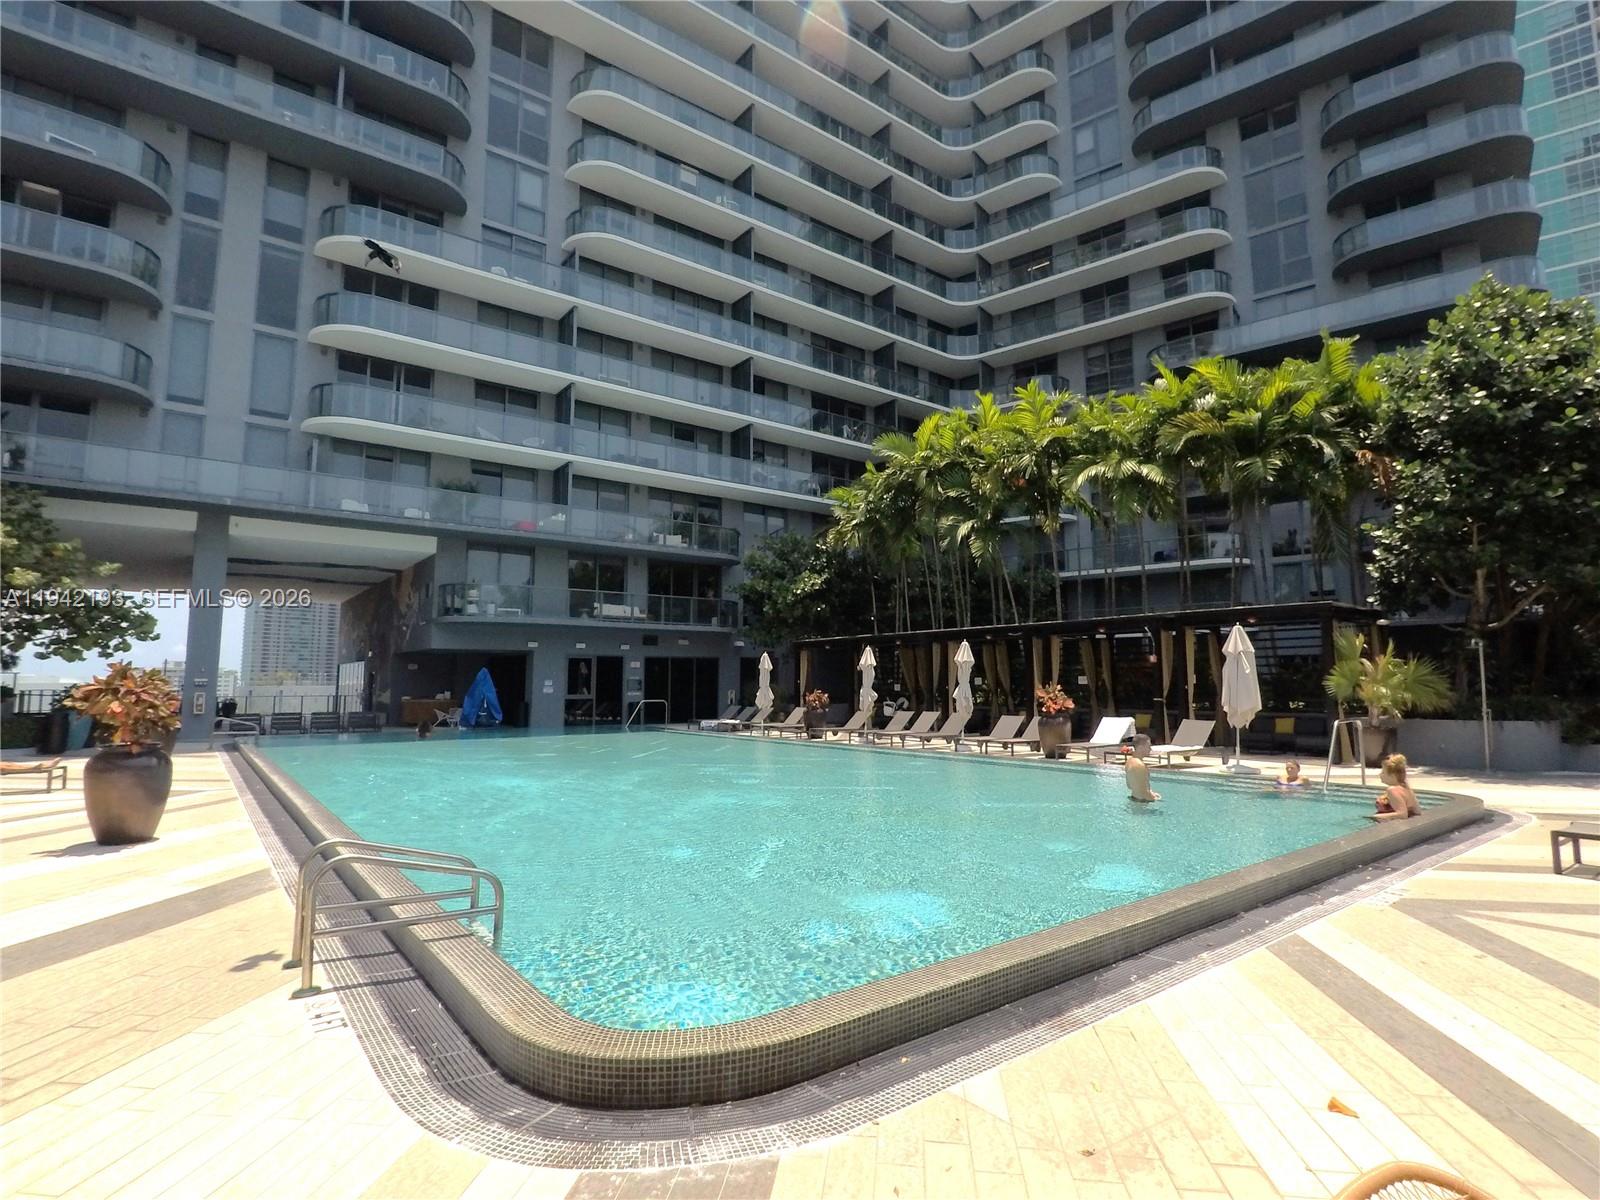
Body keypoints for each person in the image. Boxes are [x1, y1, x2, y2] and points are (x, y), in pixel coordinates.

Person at [1371, 753, 1419, 820]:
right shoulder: (1406, 787)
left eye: (1383, 772)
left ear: (1392, 776)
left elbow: (1402, 814)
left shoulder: (1392, 790)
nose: (1380, 774)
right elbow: (1417, 811)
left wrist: (1373, 817)